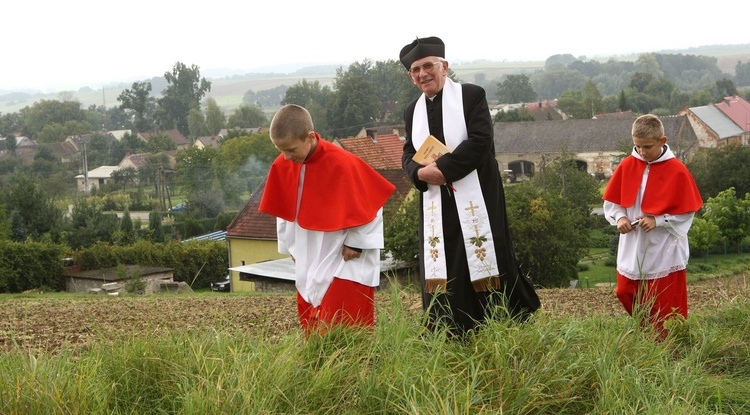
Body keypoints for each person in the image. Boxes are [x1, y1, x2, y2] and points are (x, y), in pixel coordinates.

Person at [399, 36, 540, 335]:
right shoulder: (412, 111)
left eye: (428, 66)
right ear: (411, 77)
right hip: (436, 202)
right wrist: (419, 174)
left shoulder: (471, 96)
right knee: (445, 261)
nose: (423, 74)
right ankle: (447, 326)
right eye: (415, 70)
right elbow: (408, 153)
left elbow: (480, 141)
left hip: (478, 195)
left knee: (485, 252)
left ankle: (502, 321)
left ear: (444, 66)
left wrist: (442, 170)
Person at [259, 104, 396, 335]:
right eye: (280, 150)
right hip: (309, 253)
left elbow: (372, 205)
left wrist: (355, 242)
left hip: (343, 257)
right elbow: (283, 211)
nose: (285, 157)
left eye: (290, 149)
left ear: (310, 137)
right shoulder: (284, 164)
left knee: (344, 330)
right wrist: (288, 245)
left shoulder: (343, 163)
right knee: (313, 331)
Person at [603, 114, 703, 338]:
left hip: (663, 247)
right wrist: (620, 218)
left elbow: (687, 211)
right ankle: (648, 332)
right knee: (624, 291)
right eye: (637, 146)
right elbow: (612, 202)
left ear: (662, 140)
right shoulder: (628, 164)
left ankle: (666, 346)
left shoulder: (677, 170)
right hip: (633, 244)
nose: (641, 152)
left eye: (647, 147)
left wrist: (658, 220)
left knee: (665, 303)